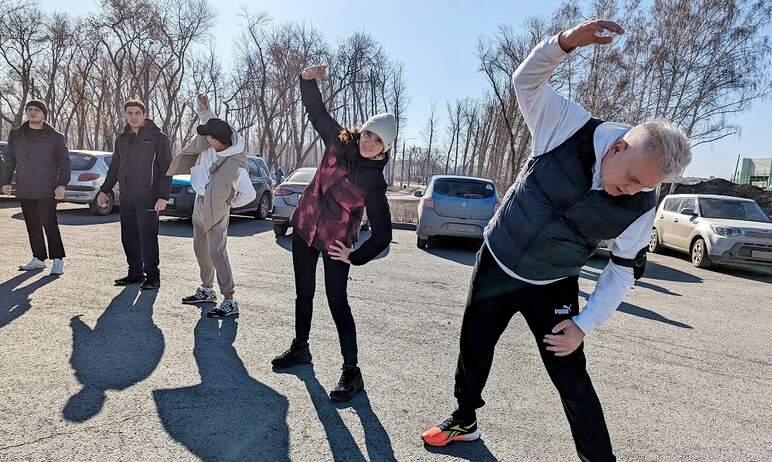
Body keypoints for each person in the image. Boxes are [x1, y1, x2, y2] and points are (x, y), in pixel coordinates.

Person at [421, 19, 692, 461]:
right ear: (618, 148)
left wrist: (584, 325)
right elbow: (525, 81)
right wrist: (565, 44)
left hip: (553, 283)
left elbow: (623, 269)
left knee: (571, 375)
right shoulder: (567, 126)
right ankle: (465, 420)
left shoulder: (643, 204)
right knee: (474, 344)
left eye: (642, 188)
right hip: (498, 258)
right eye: (627, 182)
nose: (628, 193)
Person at [270, 64, 395, 402]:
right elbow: (316, 110)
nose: (369, 142)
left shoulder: (374, 182)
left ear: (385, 148)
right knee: (303, 293)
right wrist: (306, 79)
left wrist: (354, 256)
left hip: (336, 242)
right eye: (368, 133)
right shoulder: (338, 140)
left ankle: (352, 373)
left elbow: (383, 235)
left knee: (338, 303)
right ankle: (300, 348)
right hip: (304, 228)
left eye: (378, 140)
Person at [167, 92, 256, 318]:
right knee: (200, 249)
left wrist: (229, 203)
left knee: (217, 252)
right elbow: (209, 118)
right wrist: (203, 105)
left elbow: (249, 194)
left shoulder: (235, 164)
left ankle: (229, 299)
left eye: (209, 137)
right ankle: (207, 290)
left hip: (217, 208)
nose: (205, 139)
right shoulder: (211, 144)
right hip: (199, 201)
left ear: (217, 140)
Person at [97, 100, 172, 291]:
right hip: (127, 195)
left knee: (147, 236)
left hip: (149, 196)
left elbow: (166, 169)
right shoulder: (122, 138)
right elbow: (115, 166)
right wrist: (104, 190)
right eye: (129, 113)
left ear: (144, 114)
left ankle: (153, 277)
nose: (133, 117)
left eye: (137, 113)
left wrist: (163, 195)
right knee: (128, 235)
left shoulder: (158, 138)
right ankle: (135, 272)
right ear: (125, 115)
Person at [1, 100, 71, 276]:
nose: (32, 112)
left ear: (44, 114)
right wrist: (6, 181)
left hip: (47, 187)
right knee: (32, 224)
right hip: (25, 185)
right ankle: (38, 258)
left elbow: (64, 162)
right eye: (29, 109)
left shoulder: (55, 136)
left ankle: (58, 260)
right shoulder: (16, 134)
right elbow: (10, 159)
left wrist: (61, 184)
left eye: (37, 110)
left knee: (49, 223)